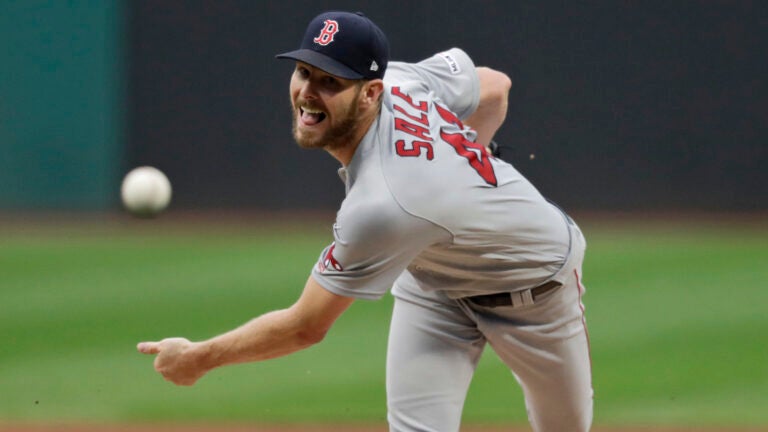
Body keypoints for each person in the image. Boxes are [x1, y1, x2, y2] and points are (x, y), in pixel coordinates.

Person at [138, 10, 593, 432]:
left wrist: (200, 358)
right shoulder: (401, 79)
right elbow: (495, 86)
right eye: (303, 72)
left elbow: (305, 326)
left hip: (535, 289)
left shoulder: (384, 204)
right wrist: (470, 152)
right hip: (433, 279)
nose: (308, 92)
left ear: (371, 92)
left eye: (330, 81)